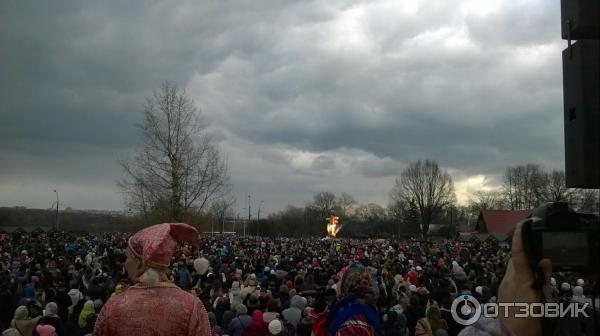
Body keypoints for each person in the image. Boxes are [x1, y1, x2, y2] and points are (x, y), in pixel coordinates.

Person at [94, 223, 211, 335]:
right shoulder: (191, 306)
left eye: (127, 257)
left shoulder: (114, 306)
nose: (125, 263)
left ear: (139, 261)